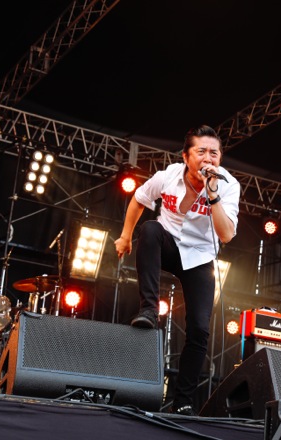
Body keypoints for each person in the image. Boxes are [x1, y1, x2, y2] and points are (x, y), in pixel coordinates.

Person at [114, 124, 240, 415]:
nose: (208, 158)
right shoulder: (167, 176)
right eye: (201, 151)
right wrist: (124, 236)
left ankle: (183, 401)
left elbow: (226, 235)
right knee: (149, 229)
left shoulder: (228, 185)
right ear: (186, 156)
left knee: (200, 330)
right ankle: (148, 309)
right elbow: (139, 200)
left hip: (200, 257)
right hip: (168, 242)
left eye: (214, 153)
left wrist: (213, 194)